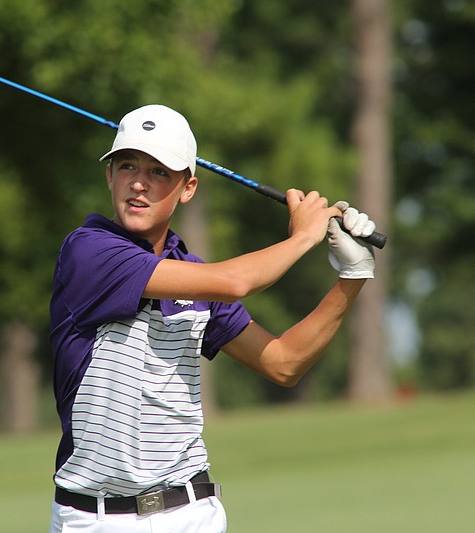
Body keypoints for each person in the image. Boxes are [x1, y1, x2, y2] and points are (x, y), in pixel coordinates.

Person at [49, 104, 376, 532]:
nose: (139, 183)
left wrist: (352, 277)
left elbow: (283, 362)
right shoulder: (89, 251)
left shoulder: (195, 276)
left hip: (190, 514)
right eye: (127, 166)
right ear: (109, 176)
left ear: (188, 188)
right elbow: (235, 281)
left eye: (160, 171)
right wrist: (304, 236)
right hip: (94, 519)